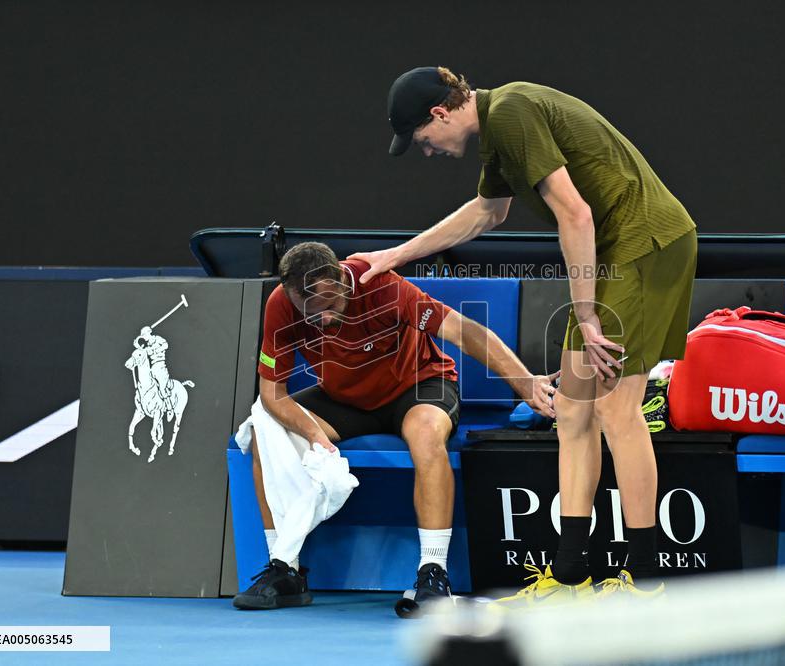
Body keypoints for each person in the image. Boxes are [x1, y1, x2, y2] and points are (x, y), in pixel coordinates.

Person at [351, 67, 697, 602]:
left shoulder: (511, 113)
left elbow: (576, 215)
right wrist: (395, 255)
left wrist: (586, 314)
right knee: (572, 411)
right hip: (614, 253)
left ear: (440, 113)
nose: (428, 150)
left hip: (646, 244)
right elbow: (487, 213)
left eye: (422, 139)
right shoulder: (499, 126)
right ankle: (570, 574)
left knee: (615, 409)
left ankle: (645, 582)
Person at [232, 241, 555, 615]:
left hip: (418, 386)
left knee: (427, 434)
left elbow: (463, 331)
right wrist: (313, 434)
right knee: (263, 430)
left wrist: (525, 383)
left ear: (341, 281)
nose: (320, 319)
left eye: (328, 306)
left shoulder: (383, 286)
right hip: (346, 399)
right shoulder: (282, 304)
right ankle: (284, 568)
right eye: (310, 313)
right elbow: (272, 394)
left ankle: (433, 572)